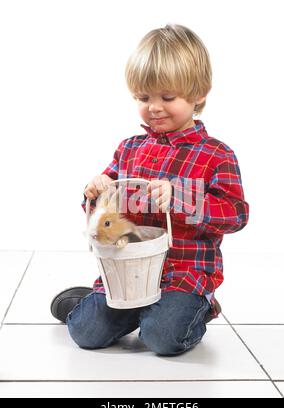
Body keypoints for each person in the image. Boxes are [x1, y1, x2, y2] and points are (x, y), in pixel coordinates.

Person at [51, 24, 249, 356]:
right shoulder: (129, 148)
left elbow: (237, 215)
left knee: (161, 338)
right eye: (143, 98)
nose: (153, 107)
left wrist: (182, 198)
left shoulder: (216, 154)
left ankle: (195, 308)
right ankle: (93, 303)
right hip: (128, 274)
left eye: (167, 97)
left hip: (183, 276)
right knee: (85, 332)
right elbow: (102, 210)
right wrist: (95, 190)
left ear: (199, 93)